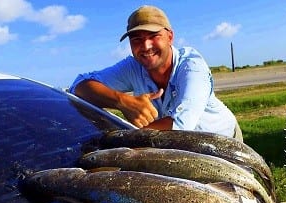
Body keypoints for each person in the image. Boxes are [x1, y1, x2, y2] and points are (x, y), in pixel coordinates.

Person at [69, 5, 243, 140]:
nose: (145, 46)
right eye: (137, 39)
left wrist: (125, 140)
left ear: (170, 37)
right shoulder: (132, 66)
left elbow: (182, 125)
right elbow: (79, 86)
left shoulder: (191, 66)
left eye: (153, 36)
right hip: (183, 148)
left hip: (224, 140)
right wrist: (122, 101)